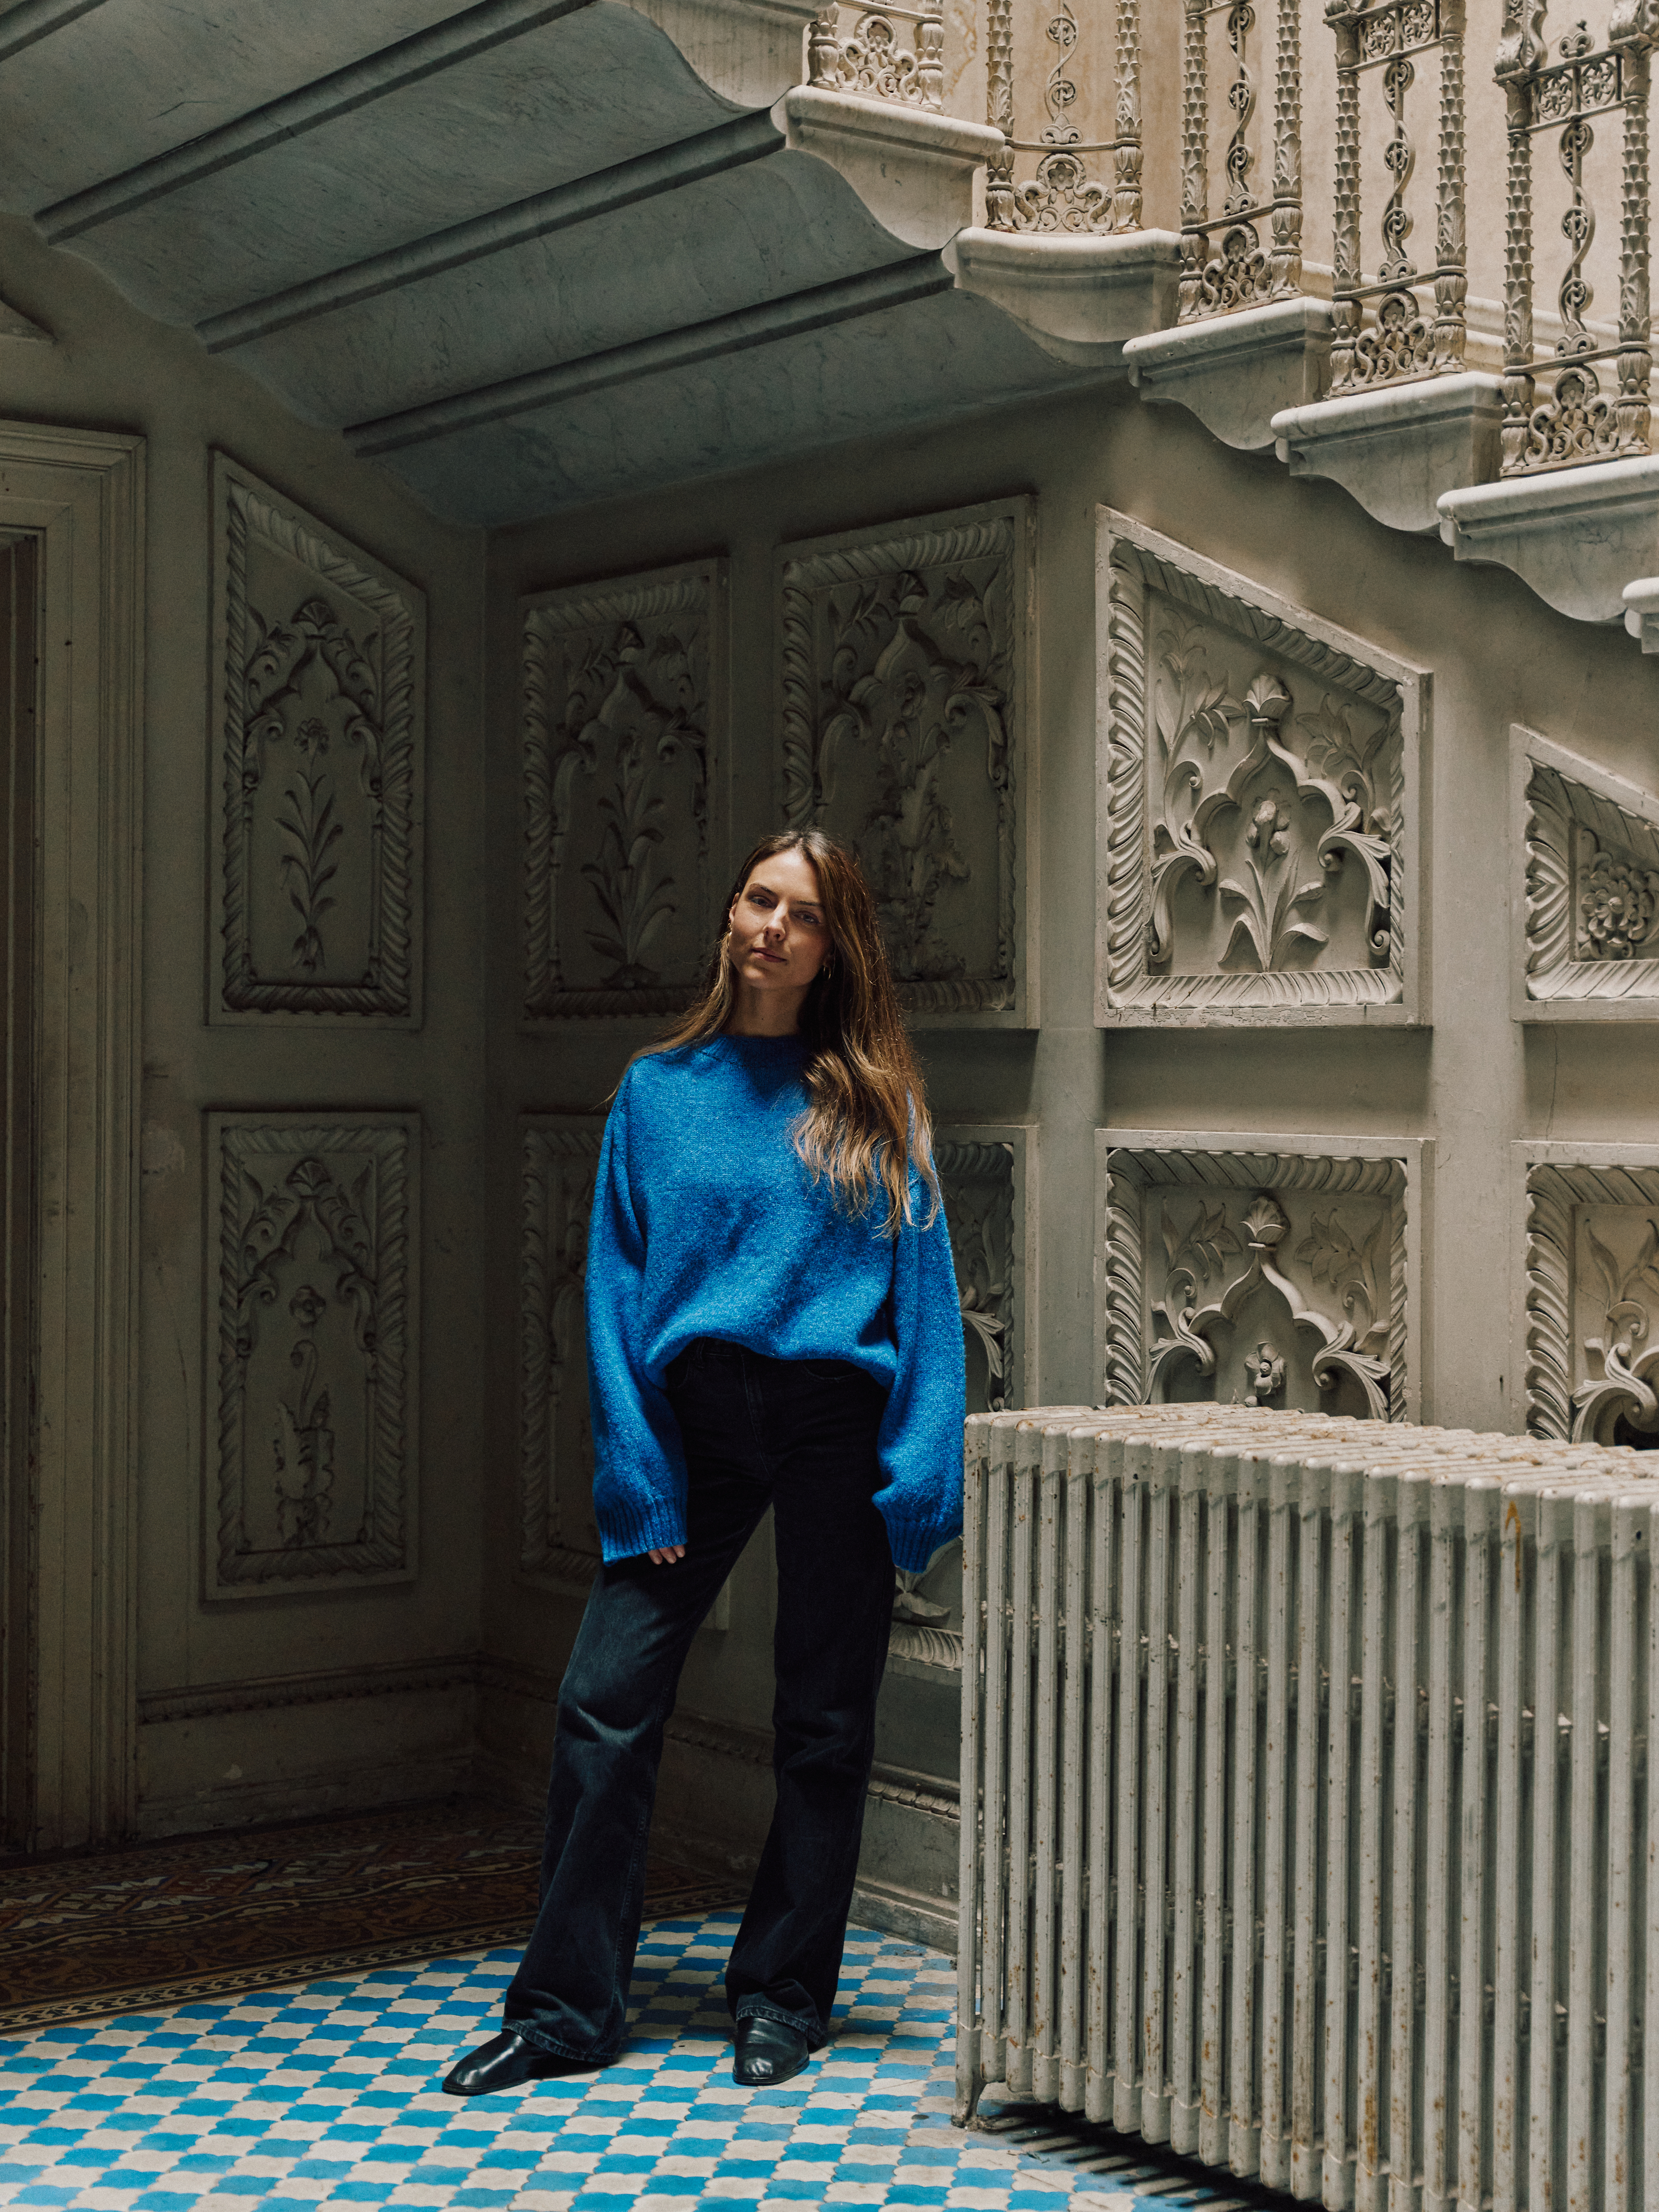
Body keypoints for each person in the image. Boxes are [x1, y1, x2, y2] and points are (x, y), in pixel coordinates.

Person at [443, 829, 967, 2097]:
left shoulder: (876, 1100)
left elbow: (928, 1302)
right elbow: (614, 1294)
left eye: (800, 911)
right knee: (603, 1701)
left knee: (825, 1720)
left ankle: (783, 1997)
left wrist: (919, 1479)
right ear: (729, 914)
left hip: (836, 1424)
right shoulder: (656, 1091)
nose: (770, 926)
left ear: (835, 944)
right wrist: (640, 1469)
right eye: (755, 898)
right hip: (696, 1422)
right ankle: (568, 2009)